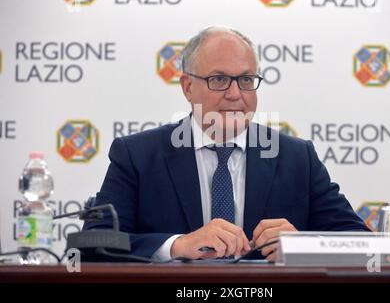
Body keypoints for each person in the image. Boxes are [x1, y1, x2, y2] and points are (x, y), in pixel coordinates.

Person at [84, 26, 369, 262]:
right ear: (187, 87)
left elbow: (364, 246)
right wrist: (178, 245)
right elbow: (91, 245)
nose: (235, 94)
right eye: (219, 79)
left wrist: (302, 247)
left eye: (245, 79)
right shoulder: (138, 155)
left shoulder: (297, 158)